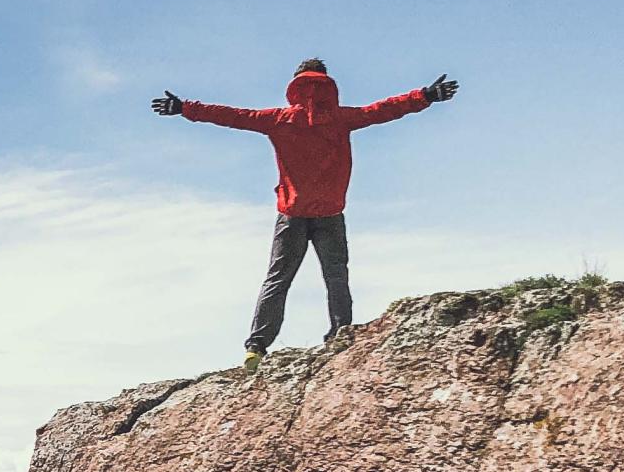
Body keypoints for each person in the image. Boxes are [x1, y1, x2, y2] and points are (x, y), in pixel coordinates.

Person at [153, 58, 458, 367]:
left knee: (278, 279)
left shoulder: (278, 119)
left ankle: (257, 345)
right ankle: (341, 334)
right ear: (328, 85)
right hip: (330, 212)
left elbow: (232, 116)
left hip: (292, 213)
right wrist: (426, 96)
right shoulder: (341, 119)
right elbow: (383, 110)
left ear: (295, 86)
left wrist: (184, 108)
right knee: (336, 277)